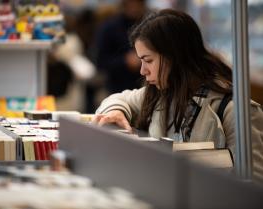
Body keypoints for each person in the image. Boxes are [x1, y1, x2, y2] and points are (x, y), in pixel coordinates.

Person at [94, 9, 263, 182]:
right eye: (141, 61)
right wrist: (116, 111)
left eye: (149, 60)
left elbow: (255, 187)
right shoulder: (161, 94)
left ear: (175, 56)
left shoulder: (237, 111)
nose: (142, 70)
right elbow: (119, 99)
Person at [95, 0, 148, 94]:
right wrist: (125, 61)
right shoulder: (109, 27)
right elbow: (100, 61)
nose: (134, 6)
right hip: (116, 89)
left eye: (138, 3)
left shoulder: (149, 25)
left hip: (145, 87)